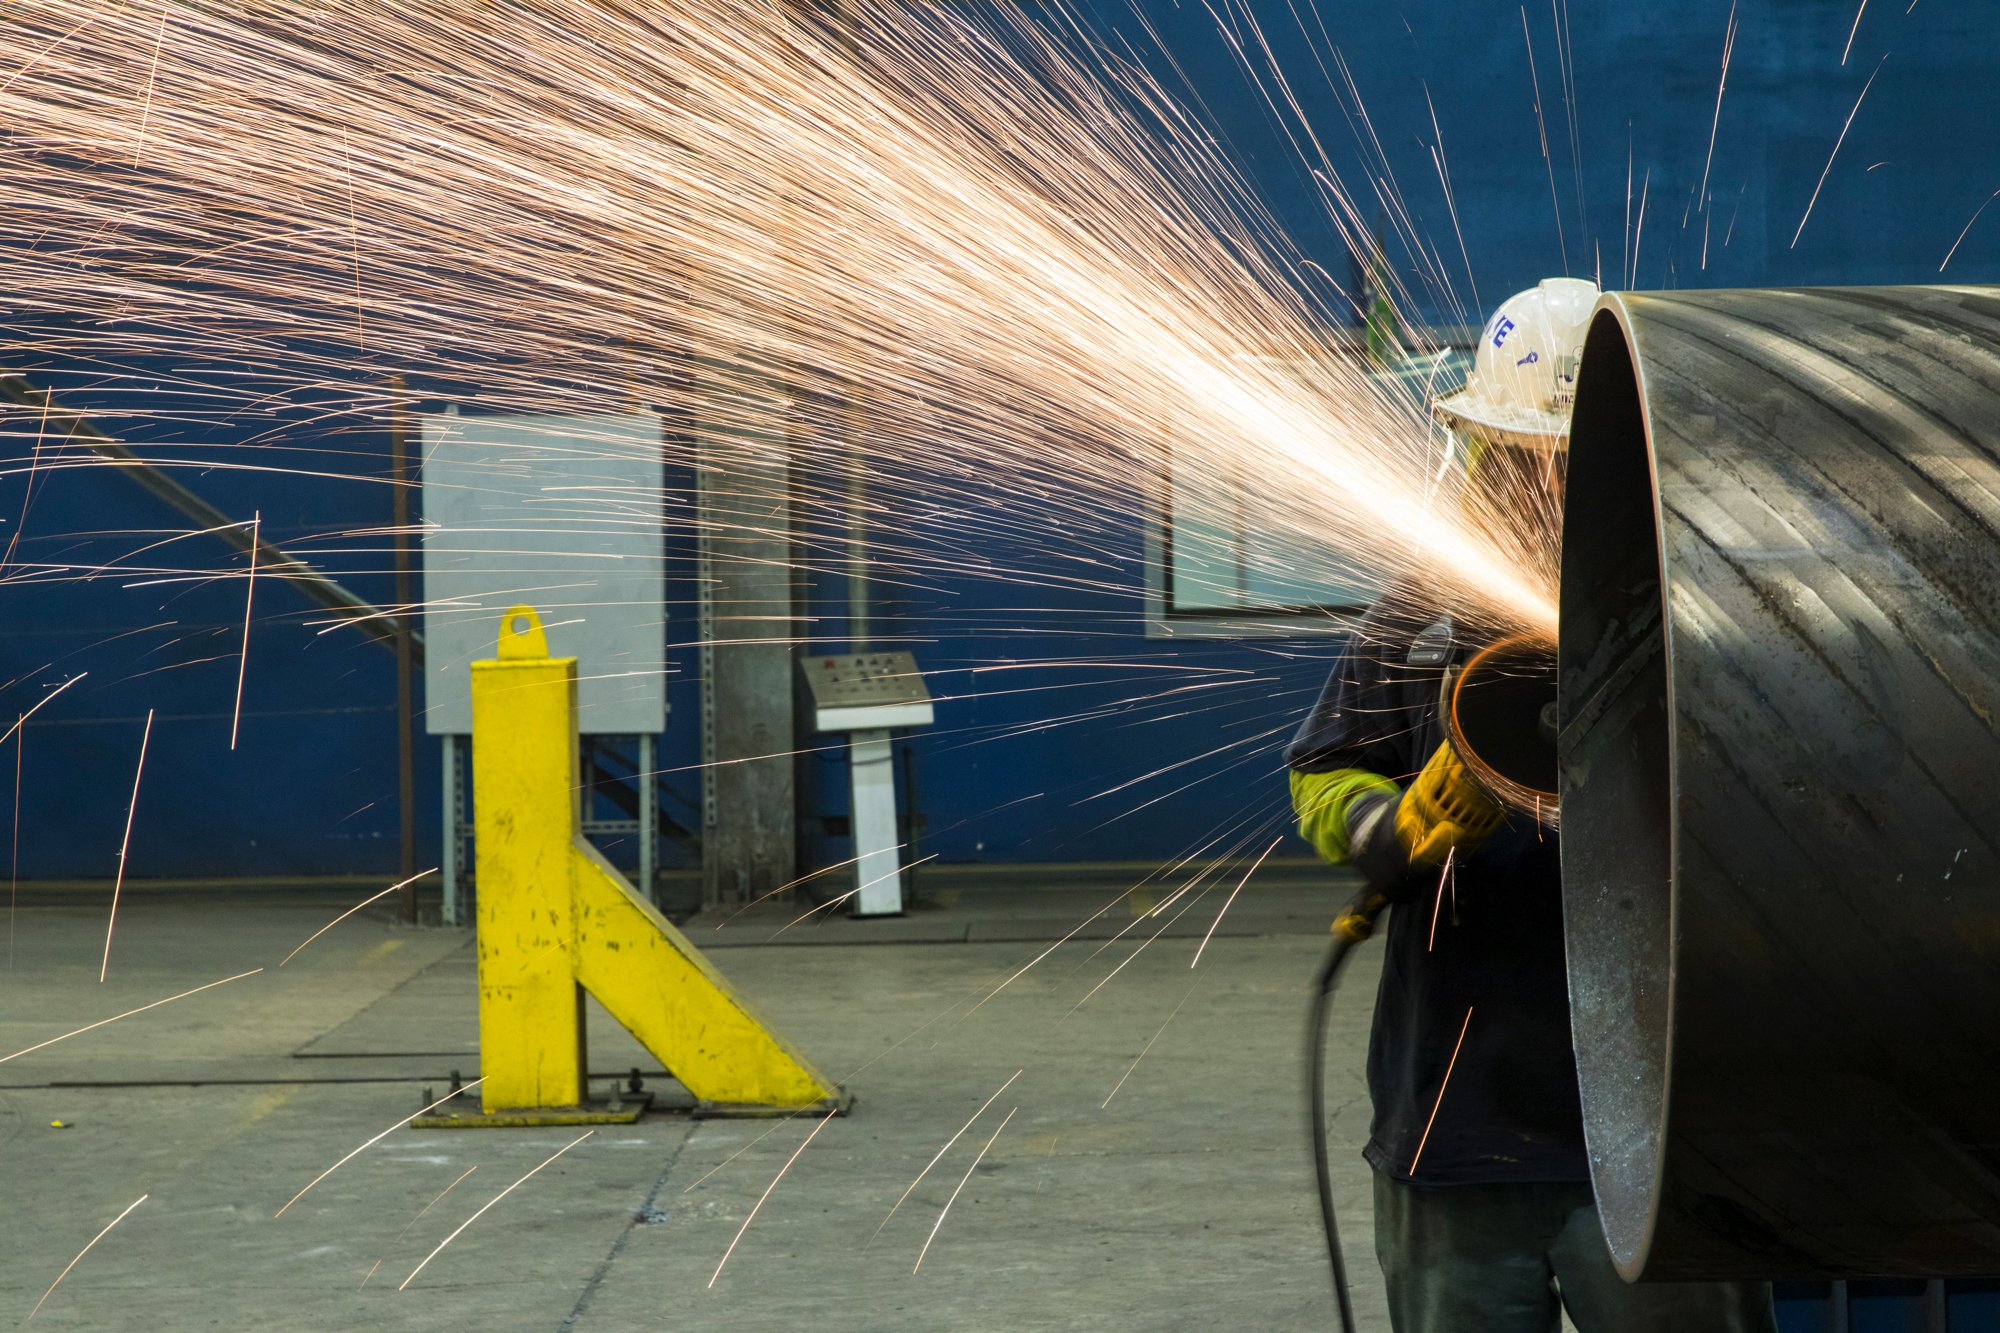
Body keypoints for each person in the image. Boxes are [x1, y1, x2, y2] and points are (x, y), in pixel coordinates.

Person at [1289, 278, 1776, 1333]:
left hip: (1665, 1127)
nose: (1541, 488)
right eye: (1520, 463)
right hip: (1454, 1127)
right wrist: (1385, 828)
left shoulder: (1706, 616)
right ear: (1482, 456)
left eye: (1567, 464)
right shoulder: (1418, 620)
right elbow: (1323, 771)